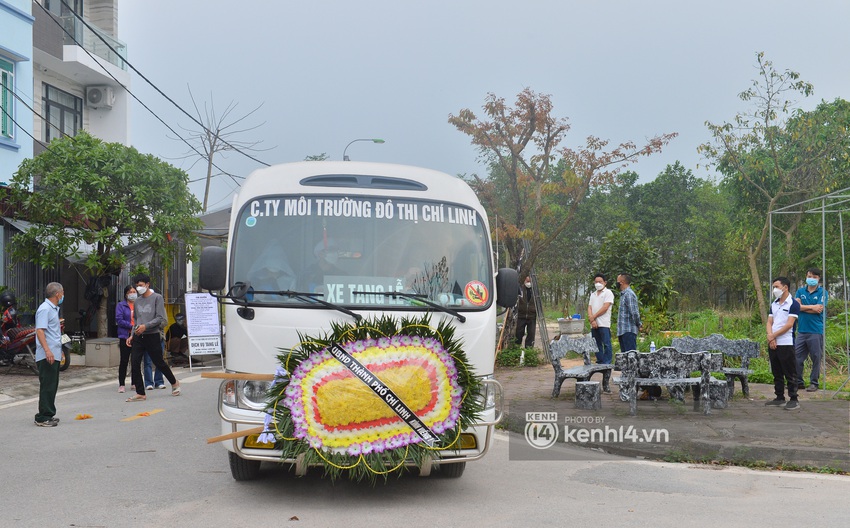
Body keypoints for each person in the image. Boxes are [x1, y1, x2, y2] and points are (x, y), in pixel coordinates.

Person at [126, 274, 180, 401]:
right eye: (137, 285)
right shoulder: (137, 301)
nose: (138, 288)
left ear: (147, 284)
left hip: (153, 335)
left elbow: (160, 318)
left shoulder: (157, 298)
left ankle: (174, 383)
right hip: (139, 336)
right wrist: (132, 335)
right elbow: (136, 319)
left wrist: (146, 326)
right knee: (134, 363)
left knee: (159, 362)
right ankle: (140, 393)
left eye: (140, 285)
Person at [765, 276, 801, 410]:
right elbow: (769, 322)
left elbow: (789, 325)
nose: (774, 289)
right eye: (773, 287)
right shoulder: (774, 304)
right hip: (773, 342)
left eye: (776, 287)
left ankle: (793, 398)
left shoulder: (793, 304)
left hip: (786, 342)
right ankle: (779, 397)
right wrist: (771, 337)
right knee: (776, 371)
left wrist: (773, 336)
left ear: (785, 287)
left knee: (789, 371)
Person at [33, 282, 64, 426]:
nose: (63, 295)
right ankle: (43, 416)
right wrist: (47, 350)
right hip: (47, 354)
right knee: (48, 385)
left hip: (53, 352)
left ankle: (49, 413)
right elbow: (40, 330)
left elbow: (53, 332)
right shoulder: (45, 309)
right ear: (57, 294)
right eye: (62, 293)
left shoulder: (53, 309)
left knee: (52, 384)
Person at [794, 268, 826, 393]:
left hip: (815, 331)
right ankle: (798, 381)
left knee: (816, 357)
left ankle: (814, 382)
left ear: (818, 278)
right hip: (801, 330)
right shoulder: (800, 291)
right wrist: (812, 307)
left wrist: (803, 307)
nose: (811, 279)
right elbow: (796, 307)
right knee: (797, 357)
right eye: (809, 276)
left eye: (814, 277)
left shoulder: (823, 292)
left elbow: (819, 309)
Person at [588, 273, 614, 365]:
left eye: (600, 281)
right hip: (594, 323)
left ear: (605, 283)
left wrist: (593, 317)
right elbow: (590, 307)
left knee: (606, 343)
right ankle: (600, 360)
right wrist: (592, 320)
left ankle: (607, 362)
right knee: (596, 343)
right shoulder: (593, 294)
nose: (598, 283)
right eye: (596, 282)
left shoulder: (608, 293)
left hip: (604, 323)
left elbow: (605, 307)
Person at [115, 285, 136, 393]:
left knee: (135, 360)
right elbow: (119, 319)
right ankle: (122, 384)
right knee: (124, 360)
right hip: (125, 335)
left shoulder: (139, 304)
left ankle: (134, 382)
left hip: (137, 335)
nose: (132, 294)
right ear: (126, 294)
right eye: (130, 292)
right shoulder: (121, 305)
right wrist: (131, 326)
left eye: (134, 291)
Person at [616, 274, 641, 353]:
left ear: (622, 282)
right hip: (623, 331)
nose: (616, 283)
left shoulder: (629, 294)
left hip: (629, 331)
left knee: (630, 357)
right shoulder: (623, 294)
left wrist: (638, 324)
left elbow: (634, 312)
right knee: (624, 358)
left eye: (617, 281)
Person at [515, 276, 537, 348]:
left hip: (532, 316)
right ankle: (516, 350)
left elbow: (538, 302)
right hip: (521, 316)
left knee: (531, 334)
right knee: (518, 334)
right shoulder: (520, 288)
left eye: (529, 277)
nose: (528, 279)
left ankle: (528, 351)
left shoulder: (535, 290)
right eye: (526, 277)